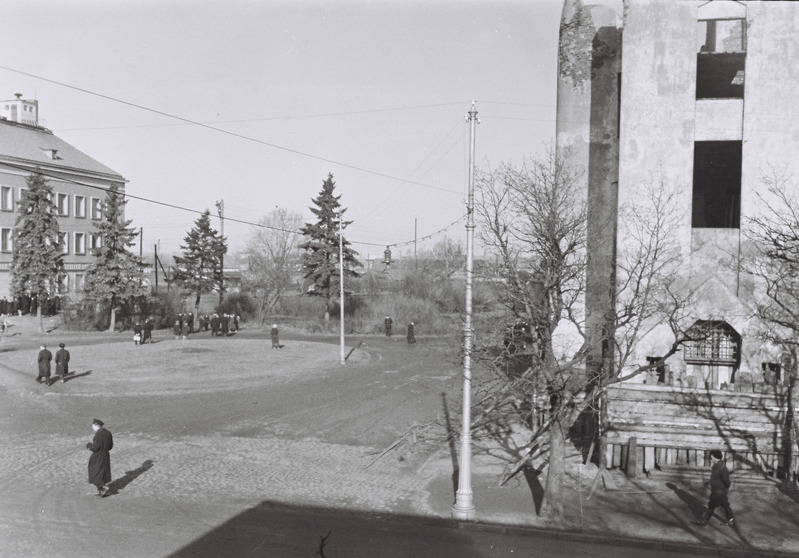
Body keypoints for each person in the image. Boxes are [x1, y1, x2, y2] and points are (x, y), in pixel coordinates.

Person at [697, 449, 734, 526]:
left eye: (712, 457)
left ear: (717, 457)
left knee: (711, 505)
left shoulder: (722, 467)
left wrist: (726, 487)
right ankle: (730, 519)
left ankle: (704, 521)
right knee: (725, 504)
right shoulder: (716, 465)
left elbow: (726, 480)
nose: (711, 459)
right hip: (718, 490)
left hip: (718, 491)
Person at [86, 418, 113, 497]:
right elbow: (110, 446)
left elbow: (95, 447)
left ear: (96, 425)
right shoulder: (108, 433)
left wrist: (88, 446)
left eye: (93, 425)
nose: (92, 427)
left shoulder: (98, 434)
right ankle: (101, 490)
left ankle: (102, 487)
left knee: (94, 471)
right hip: (106, 455)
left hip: (98, 456)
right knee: (102, 472)